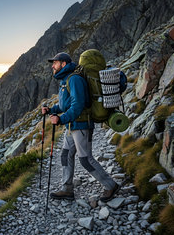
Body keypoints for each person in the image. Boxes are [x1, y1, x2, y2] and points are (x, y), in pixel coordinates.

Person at [42, 51, 119, 202]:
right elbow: (66, 104)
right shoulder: (65, 79)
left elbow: (78, 105)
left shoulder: (75, 79)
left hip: (82, 125)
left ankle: (111, 185)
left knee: (85, 159)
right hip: (72, 125)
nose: (53, 66)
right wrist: (52, 110)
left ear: (63, 64)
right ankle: (66, 189)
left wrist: (61, 119)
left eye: (55, 63)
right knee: (65, 154)